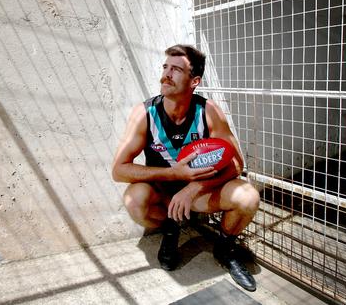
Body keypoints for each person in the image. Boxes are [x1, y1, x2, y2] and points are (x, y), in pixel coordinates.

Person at [111, 44, 261, 291]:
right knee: (134, 200)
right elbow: (119, 170)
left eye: (177, 69)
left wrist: (193, 188)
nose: (167, 74)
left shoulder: (208, 111)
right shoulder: (144, 113)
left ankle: (225, 248)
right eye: (165, 67)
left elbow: (236, 163)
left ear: (195, 81)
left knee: (247, 197)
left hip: (197, 195)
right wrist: (173, 174)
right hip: (163, 193)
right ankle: (172, 228)